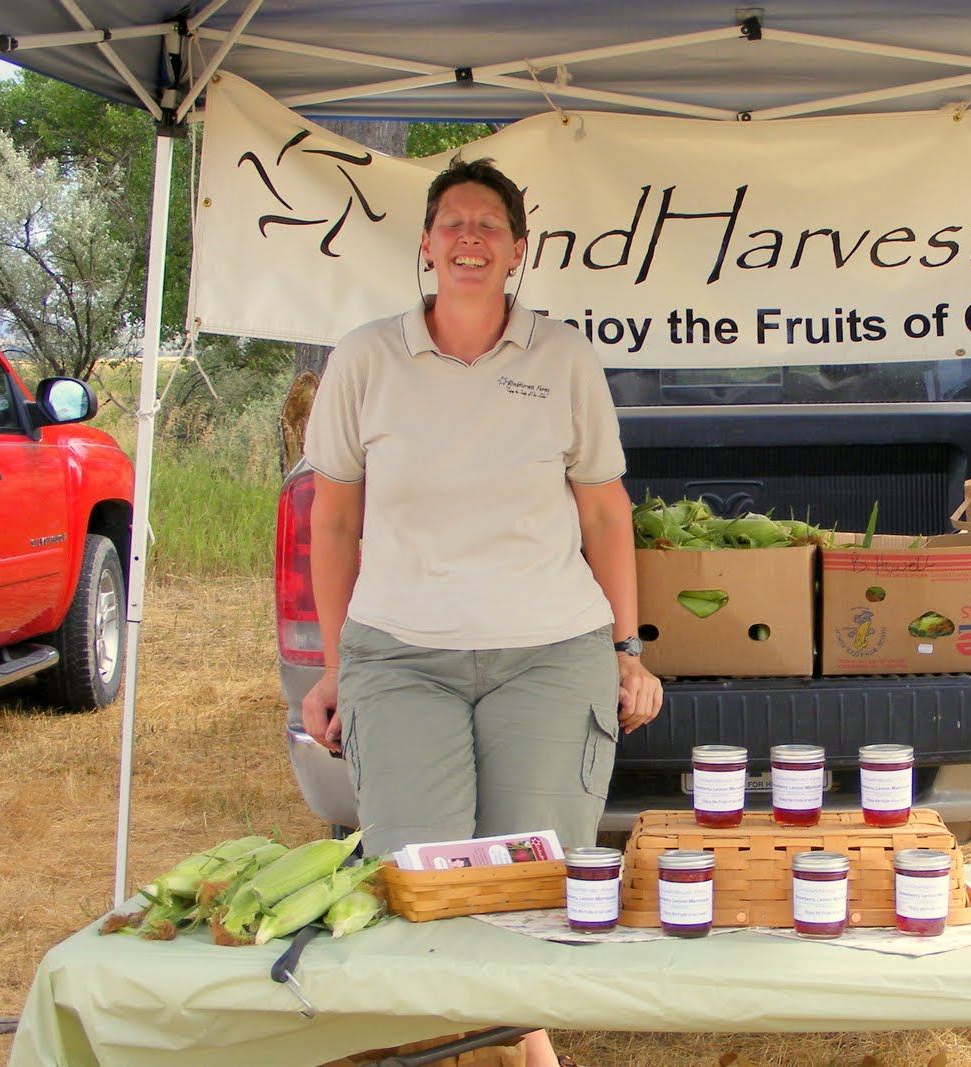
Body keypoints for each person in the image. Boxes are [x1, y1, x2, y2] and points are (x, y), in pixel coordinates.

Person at [300, 156, 662, 1067]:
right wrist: (338, 663)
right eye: (452, 222)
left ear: (518, 253)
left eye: (488, 226)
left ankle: (514, 1041)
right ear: (425, 246)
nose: (469, 237)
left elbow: (605, 512)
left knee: (531, 885)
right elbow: (335, 517)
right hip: (400, 656)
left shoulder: (564, 356)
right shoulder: (365, 359)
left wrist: (626, 647)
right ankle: (508, 1042)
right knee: (419, 886)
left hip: (549, 654)